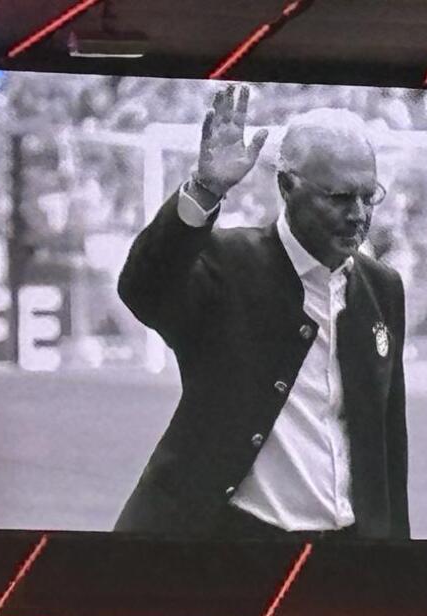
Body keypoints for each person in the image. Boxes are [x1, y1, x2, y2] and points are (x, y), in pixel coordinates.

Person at [114, 84, 409, 540]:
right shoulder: (226, 264)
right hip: (233, 544)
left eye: (368, 197)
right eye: (338, 197)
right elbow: (144, 289)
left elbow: (387, 442)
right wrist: (205, 190)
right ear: (287, 186)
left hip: (346, 552)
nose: (358, 214)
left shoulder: (382, 288)